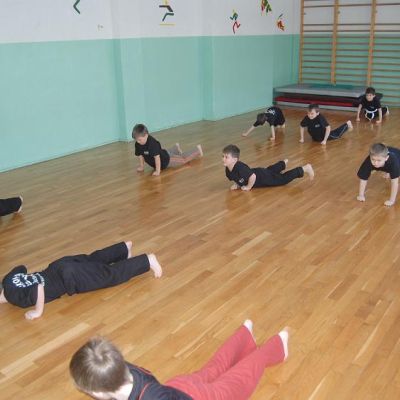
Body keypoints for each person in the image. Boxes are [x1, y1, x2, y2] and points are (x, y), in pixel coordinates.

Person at [69, 320, 289, 400]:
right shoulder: (121, 368)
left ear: (99, 393)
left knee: (240, 379)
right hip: (180, 385)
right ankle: (244, 334)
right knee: (215, 367)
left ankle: (278, 344)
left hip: (199, 397)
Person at [0, 241, 162, 320]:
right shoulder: (7, 281)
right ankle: (123, 248)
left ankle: (147, 261)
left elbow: (38, 288)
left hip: (69, 278)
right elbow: (22, 268)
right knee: (92, 259)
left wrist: (37, 311)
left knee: (108, 275)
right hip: (58, 265)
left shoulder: (16, 298)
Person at [223, 144, 314, 191]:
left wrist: (248, 187)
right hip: (260, 172)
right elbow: (237, 177)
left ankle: (304, 168)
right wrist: (237, 184)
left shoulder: (240, 167)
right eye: (223, 156)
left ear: (235, 160)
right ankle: (282, 164)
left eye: (226, 157)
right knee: (270, 171)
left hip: (262, 177)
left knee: (282, 179)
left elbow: (252, 177)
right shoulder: (228, 169)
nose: (223, 159)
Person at [133, 124, 203, 176]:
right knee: (165, 152)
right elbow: (140, 155)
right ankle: (176, 149)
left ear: (146, 135)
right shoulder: (138, 144)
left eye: (139, 139)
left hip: (166, 160)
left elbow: (157, 158)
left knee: (183, 160)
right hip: (162, 153)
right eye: (136, 140)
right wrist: (141, 167)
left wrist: (158, 171)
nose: (138, 142)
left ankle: (197, 150)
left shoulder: (152, 144)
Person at [357, 143, 400, 207]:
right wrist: (361, 195)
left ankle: (388, 172)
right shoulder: (368, 161)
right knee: (385, 166)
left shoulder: (393, 162)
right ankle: (387, 171)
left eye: (379, 160)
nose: (375, 163)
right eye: (373, 159)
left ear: (386, 158)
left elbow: (395, 182)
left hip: (398, 157)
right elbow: (363, 178)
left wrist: (391, 200)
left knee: (394, 172)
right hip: (387, 159)